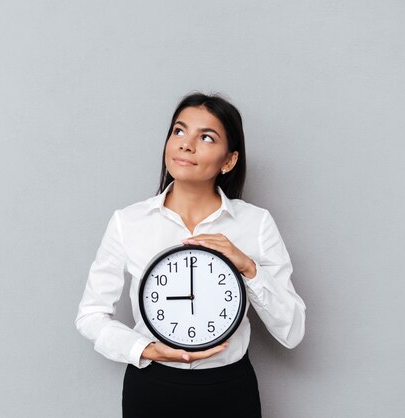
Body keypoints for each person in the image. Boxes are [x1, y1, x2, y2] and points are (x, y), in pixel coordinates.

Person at [75, 92, 306, 417]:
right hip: (152, 388)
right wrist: (145, 349)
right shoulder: (128, 222)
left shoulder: (255, 223)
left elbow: (293, 332)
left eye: (206, 137)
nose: (186, 144)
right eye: (179, 131)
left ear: (229, 160)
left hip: (230, 390)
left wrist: (249, 267)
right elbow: (90, 315)